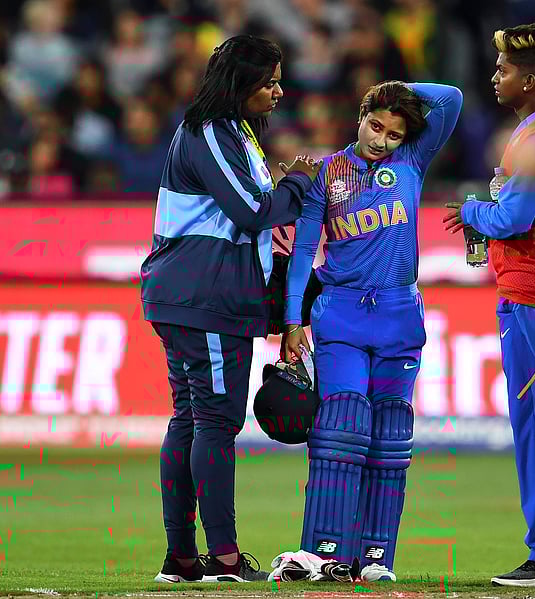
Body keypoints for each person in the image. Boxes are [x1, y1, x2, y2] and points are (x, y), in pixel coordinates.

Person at [140, 35, 322, 584]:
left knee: (192, 420)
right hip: (206, 299)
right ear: (240, 84)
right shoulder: (211, 130)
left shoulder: (232, 132)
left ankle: (181, 556)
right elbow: (251, 212)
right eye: (268, 81)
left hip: (195, 296)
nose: (279, 90)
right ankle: (223, 558)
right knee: (215, 423)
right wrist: (297, 183)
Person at [282, 79, 462, 581]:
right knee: (341, 428)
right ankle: (321, 552)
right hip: (340, 314)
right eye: (375, 124)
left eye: (394, 134)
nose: (382, 139)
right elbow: (302, 251)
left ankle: (375, 558)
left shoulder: (413, 161)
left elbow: (451, 98)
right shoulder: (328, 172)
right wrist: (292, 319)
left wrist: (396, 89)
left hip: (400, 316)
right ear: (360, 116)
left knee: (389, 440)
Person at [442, 23, 535, 587]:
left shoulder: (534, 138)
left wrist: (472, 213)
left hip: (534, 293)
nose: (495, 77)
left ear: (529, 80)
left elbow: (513, 219)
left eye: (504, 70)